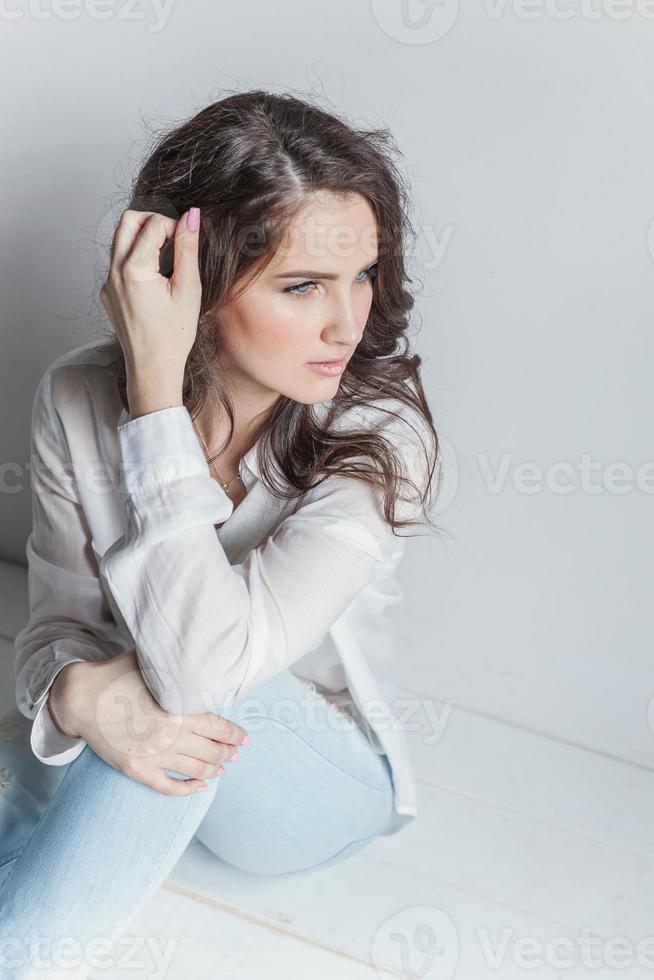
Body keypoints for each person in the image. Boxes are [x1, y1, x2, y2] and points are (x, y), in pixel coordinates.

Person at [0, 90, 440, 978]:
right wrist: (77, 698)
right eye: (303, 285)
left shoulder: (386, 432)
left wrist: (157, 401)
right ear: (187, 281)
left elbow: (202, 670)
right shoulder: (78, 396)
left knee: (191, 675)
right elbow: (57, 631)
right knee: (144, 689)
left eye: (363, 275)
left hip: (314, 788)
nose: (346, 324)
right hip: (138, 750)